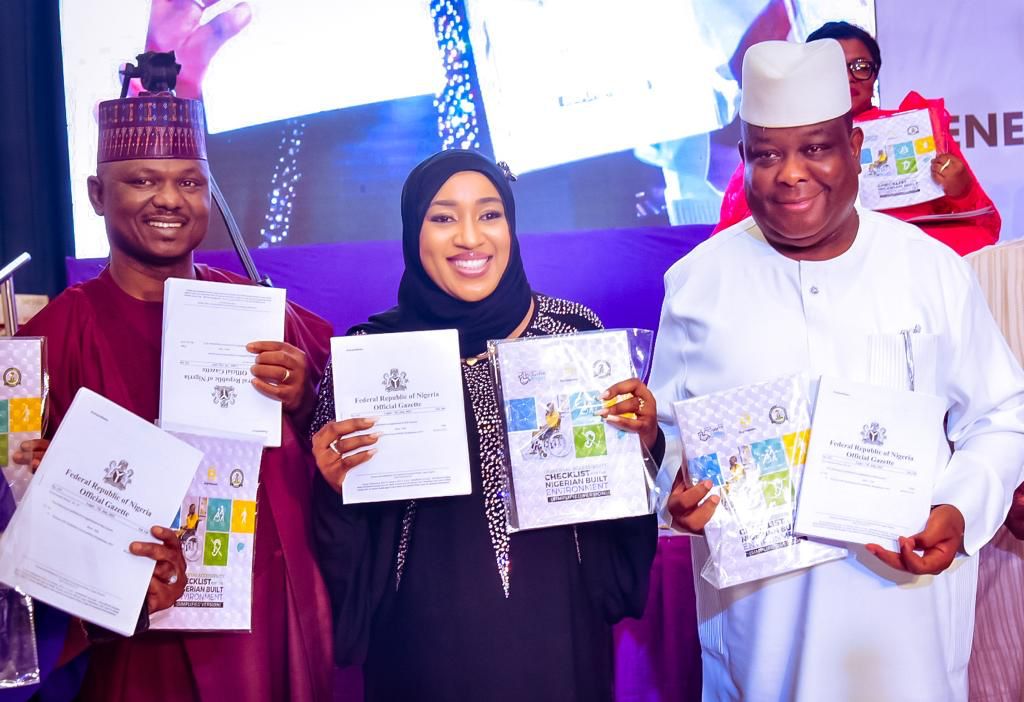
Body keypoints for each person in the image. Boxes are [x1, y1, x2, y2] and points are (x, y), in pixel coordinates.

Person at [649, 39, 1024, 701]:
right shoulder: (697, 284)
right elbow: (668, 438)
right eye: (767, 154)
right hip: (763, 640)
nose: (791, 174)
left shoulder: (931, 270)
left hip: (908, 628)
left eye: (816, 148)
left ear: (855, 147)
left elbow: (1001, 417)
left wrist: (959, 509)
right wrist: (675, 492)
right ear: (743, 160)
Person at [11, 58, 335, 702]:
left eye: (190, 181)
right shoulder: (55, 334)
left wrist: (305, 400)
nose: (169, 199)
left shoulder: (262, 315)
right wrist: (38, 481)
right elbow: (12, 496)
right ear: (97, 194)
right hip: (131, 630)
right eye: (142, 180)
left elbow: (354, 445)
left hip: (262, 620)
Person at [310, 150, 660, 701]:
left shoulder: (572, 335)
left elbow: (617, 502)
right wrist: (333, 487)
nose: (471, 238)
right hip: (422, 645)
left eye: (490, 214)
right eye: (443, 217)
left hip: (559, 633)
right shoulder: (368, 354)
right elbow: (343, 546)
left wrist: (640, 440)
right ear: (413, 231)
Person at [713, 21, 1001, 256]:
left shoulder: (919, 129)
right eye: (834, 68)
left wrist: (962, 191)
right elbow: (736, 237)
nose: (848, 77)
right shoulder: (775, 142)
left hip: (905, 267)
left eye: (861, 66)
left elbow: (982, 226)